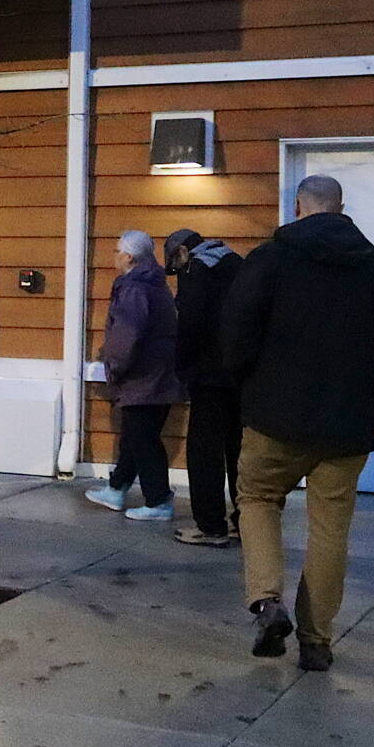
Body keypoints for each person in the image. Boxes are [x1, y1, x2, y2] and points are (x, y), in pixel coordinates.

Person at [223, 174, 374, 672]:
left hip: (273, 418)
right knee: (330, 532)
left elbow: (235, 334)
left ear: (298, 207)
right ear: (341, 208)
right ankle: (316, 642)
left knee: (258, 500)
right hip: (347, 428)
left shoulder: (269, 259)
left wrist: (247, 388)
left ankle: (267, 602)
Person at [85, 230, 183, 521]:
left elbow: (126, 334)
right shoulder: (156, 285)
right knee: (135, 435)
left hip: (143, 376)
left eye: (117, 250)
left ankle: (158, 500)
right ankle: (118, 488)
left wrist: (113, 366)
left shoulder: (134, 288)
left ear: (129, 256)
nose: (114, 255)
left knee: (143, 439)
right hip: (159, 374)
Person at [164, 228, 245, 547]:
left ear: (182, 253)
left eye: (175, 266)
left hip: (209, 376)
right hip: (240, 375)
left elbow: (190, 325)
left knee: (205, 451)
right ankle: (245, 520)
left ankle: (210, 525)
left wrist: (182, 368)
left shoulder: (196, 270)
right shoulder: (236, 264)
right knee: (237, 448)